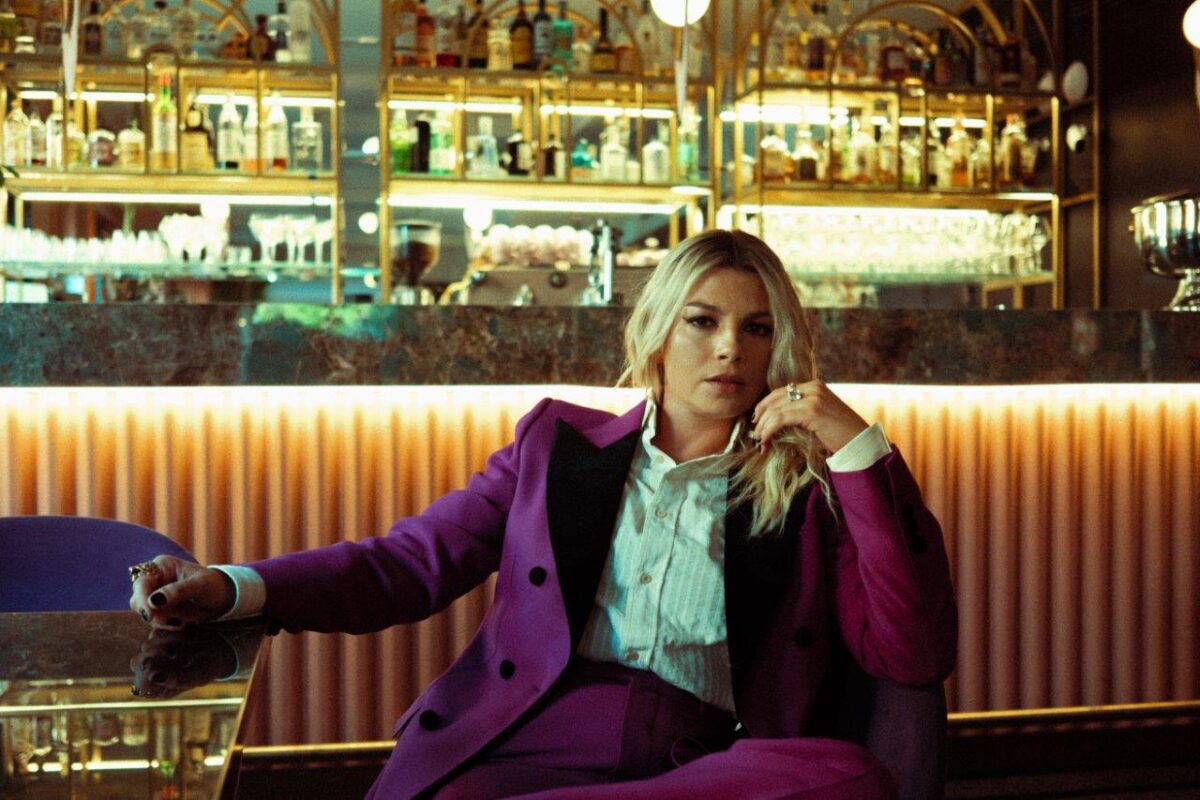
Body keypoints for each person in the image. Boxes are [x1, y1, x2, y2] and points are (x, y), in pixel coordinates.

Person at [129, 229, 957, 799]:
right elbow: (406, 564)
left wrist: (860, 452)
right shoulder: (557, 448)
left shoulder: (809, 493)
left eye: (756, 328)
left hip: (701, 763)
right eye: (702, 322)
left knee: (844, 779)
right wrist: (233, 587)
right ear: (657, 332)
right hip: (532, 736)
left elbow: (912, 652)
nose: (729, 349)